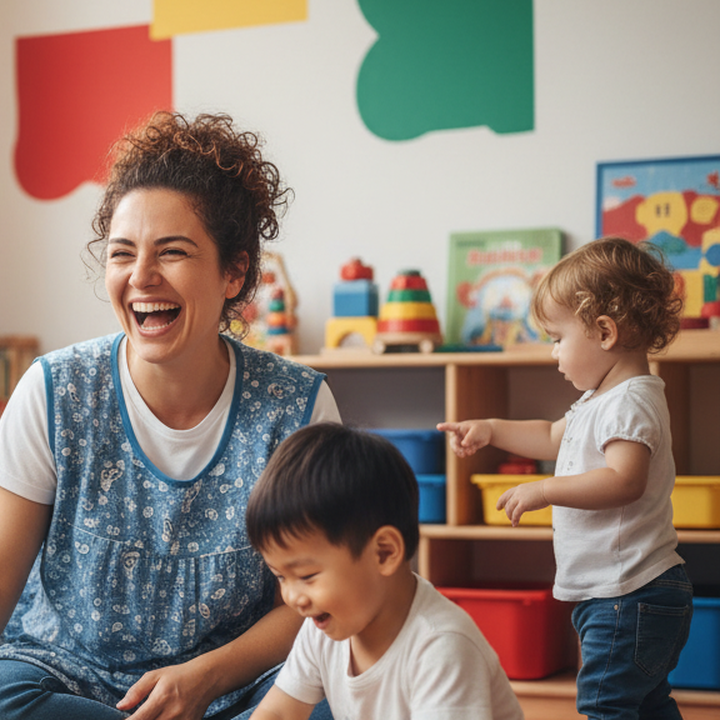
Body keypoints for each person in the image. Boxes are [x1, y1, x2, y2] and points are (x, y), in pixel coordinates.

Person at [0, 111, 341, 720]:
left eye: (172, 252)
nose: (141, 277)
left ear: (234, 271)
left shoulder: (299, 407)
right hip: (68, 673)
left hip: (237, 684)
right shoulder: (55, 388)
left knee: (339, 692)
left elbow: (319, 593)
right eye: (122, 253)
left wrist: (206, 677)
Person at [437, 236, 692, 719]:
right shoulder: (600, 400)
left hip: (629, 594)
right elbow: (552, 436)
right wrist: (490, 429)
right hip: (621, 594)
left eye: (557, 338)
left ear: (603, 332)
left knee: (605, 704)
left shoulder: (629, 401)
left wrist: (545, 489)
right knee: (647, 704)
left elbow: (623, 480)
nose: (553, 353)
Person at [245, 423, 523, 719]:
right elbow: (277, 713)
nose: (292, 597)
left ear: (384, 552)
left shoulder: (441, 646)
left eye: (307, 576)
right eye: (280, 577)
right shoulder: (324, 629)